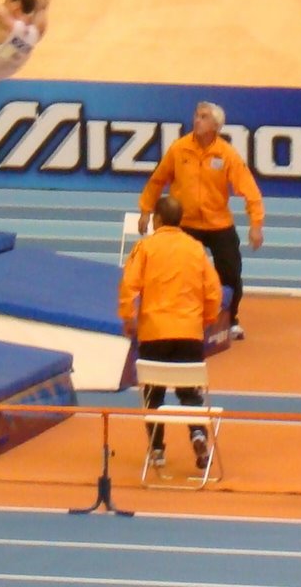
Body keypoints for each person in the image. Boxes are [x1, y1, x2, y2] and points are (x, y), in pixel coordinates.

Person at [137, 102, 263, 342]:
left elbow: (250, 190)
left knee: (230, 272)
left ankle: (230, 320)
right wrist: (145, 210)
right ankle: (174, 318)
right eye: (196, 115)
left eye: (203, 117)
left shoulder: (226, 154)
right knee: (177, 272)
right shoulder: (179, 149)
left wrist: (256, 224)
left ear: (216, 125)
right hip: (184, 223)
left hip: (218, 223)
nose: (197, 120)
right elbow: (157, 181)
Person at [119, 195, 222, 469]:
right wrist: (208, 319)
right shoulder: (196, 249)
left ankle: (157, 450)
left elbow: (129, 285)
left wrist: (128, 316)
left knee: (154, 394)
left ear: (158, 219)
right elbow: (213, 290)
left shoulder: (145, 248)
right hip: (189, 333)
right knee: (190, 392)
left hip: (154, 333)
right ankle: (198, 434)